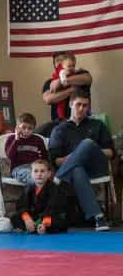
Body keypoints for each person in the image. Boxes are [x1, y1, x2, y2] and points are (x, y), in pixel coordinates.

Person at [48, 88, 113, 231]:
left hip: (97, 167)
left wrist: (86, 150)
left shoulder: (98, 125)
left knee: (88, 143)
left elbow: (110, 152)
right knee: (77, 169)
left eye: (85, 105)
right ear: (71, 104)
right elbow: (56, 160)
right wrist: (76, 157)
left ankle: (58, 179)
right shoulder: (60, 130)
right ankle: (98, 218)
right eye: (78, 104)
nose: (82, 108)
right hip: (74, 172)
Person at [36, 52, 92, 137]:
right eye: (56, 61)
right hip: (58, 122)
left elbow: (87, 79)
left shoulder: (81, 73)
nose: (59, 63)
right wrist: (71, 90)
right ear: (54, 64)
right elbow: (48, 99)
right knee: (37, 134)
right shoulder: (49, 82)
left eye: (62, 60)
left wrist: (61, 82)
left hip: (81, 121)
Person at [10, 159, 68, 234]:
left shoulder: (54, 189)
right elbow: (22, 206)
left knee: (60, 222)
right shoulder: (28, 188)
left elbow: (52, 209)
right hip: (34, 218)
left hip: (48, 217)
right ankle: (31, 227)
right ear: (31, 174)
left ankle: (39, 228)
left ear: (49, 174)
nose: (39, 174)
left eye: (42, 171)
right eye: (36, 171)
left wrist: (44, 223)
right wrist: (27, 219)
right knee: (14, 216)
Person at [4, 112, 48, 184]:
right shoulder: (12, 139)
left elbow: (45, 157)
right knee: (34, 178)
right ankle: (38, 191)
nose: (26, 131)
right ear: (17, 127)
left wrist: (47, 169)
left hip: (35, 167)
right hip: (18, 168)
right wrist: (16, 139)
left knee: (48, 177)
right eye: (23, 127)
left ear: (34, 129)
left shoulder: (38, 140)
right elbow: (9, 156)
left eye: (30, 128)